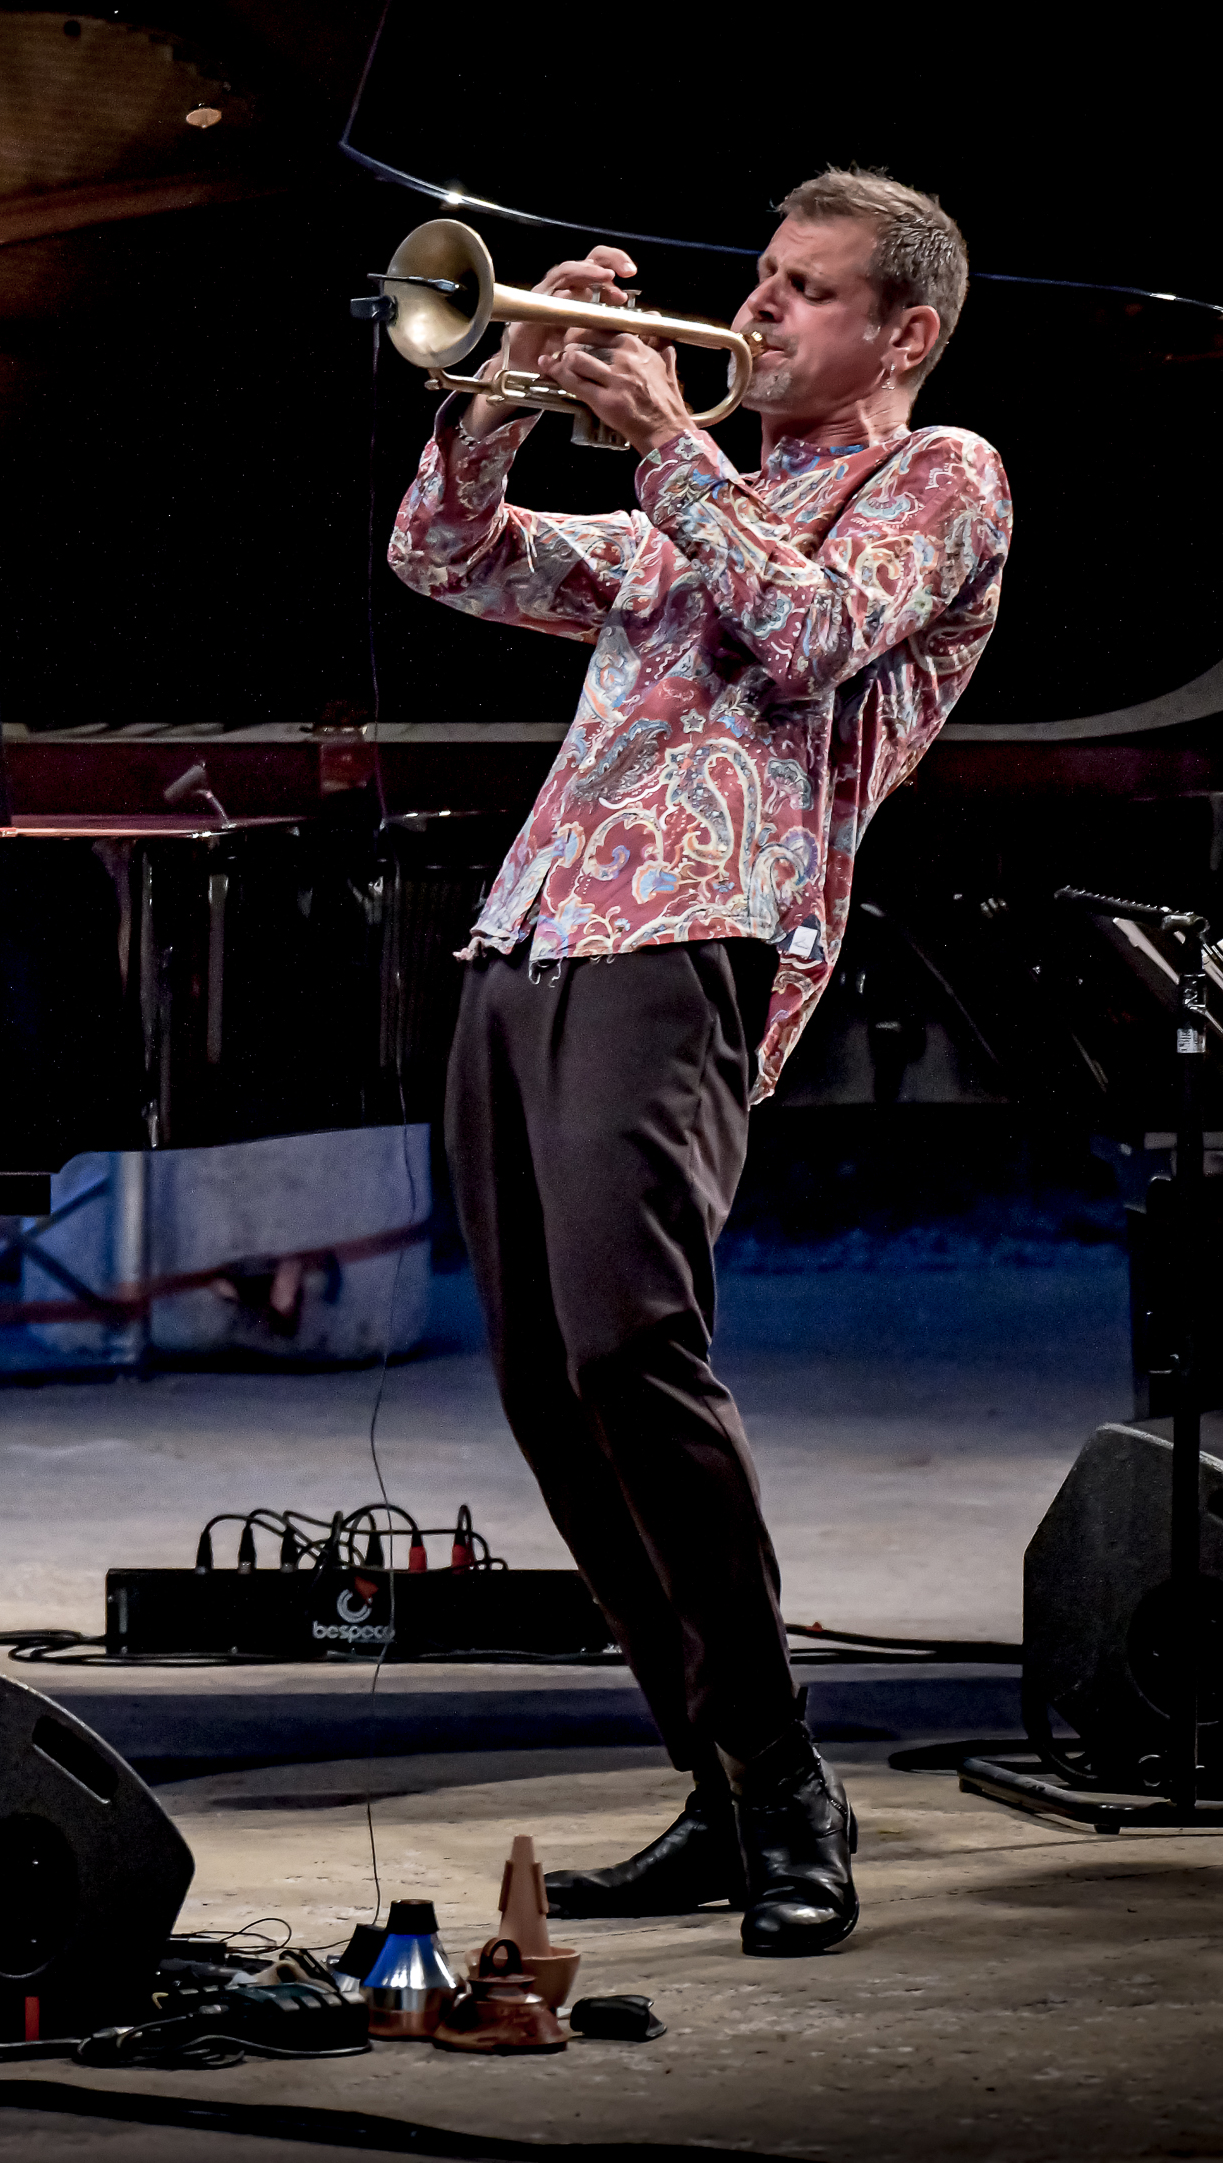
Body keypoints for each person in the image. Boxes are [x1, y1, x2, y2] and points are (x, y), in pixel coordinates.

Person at [386, 170, 1009, 1954]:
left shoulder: (939, 477)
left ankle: (788, 1775)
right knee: (545, 1385)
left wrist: (666, 436)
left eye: (807, 290)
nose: (756, 310)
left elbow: (809, 635)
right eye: (761, 276)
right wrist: (513, 390)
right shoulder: (695, 512)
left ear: (905, 331)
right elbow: (445, 557)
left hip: (696, 935)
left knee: (631, 1350)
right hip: (530, 933)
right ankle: (721, 1784)